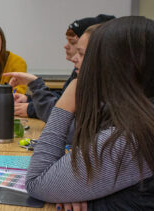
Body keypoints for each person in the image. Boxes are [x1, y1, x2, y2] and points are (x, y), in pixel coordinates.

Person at [26, 16, 154, 210]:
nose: (88, 65)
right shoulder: (139, 114)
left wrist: (64, 105)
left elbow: (37, 182)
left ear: (121, 65)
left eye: (94, 57)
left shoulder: (134, 134)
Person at [4, 14, 115, 120]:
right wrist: (30, 98)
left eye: (72, 42)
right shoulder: (79, 71)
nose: (65, 46)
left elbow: (62, 116)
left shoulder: (105, 97)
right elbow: (62, 99)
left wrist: (33, 107)